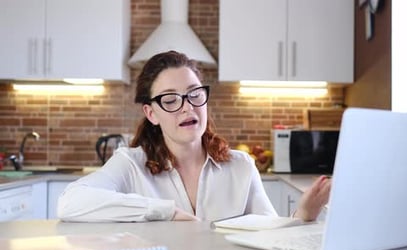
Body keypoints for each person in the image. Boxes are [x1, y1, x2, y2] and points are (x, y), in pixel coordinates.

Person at [57, 50, 331, 222]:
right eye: (171, 99)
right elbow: (70, 202)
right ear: (151, 113)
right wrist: (165, 211)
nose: (188, 106)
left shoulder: (241, 166)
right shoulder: (131, 164)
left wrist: (303, 216)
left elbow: (270, 237)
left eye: (194, 93)